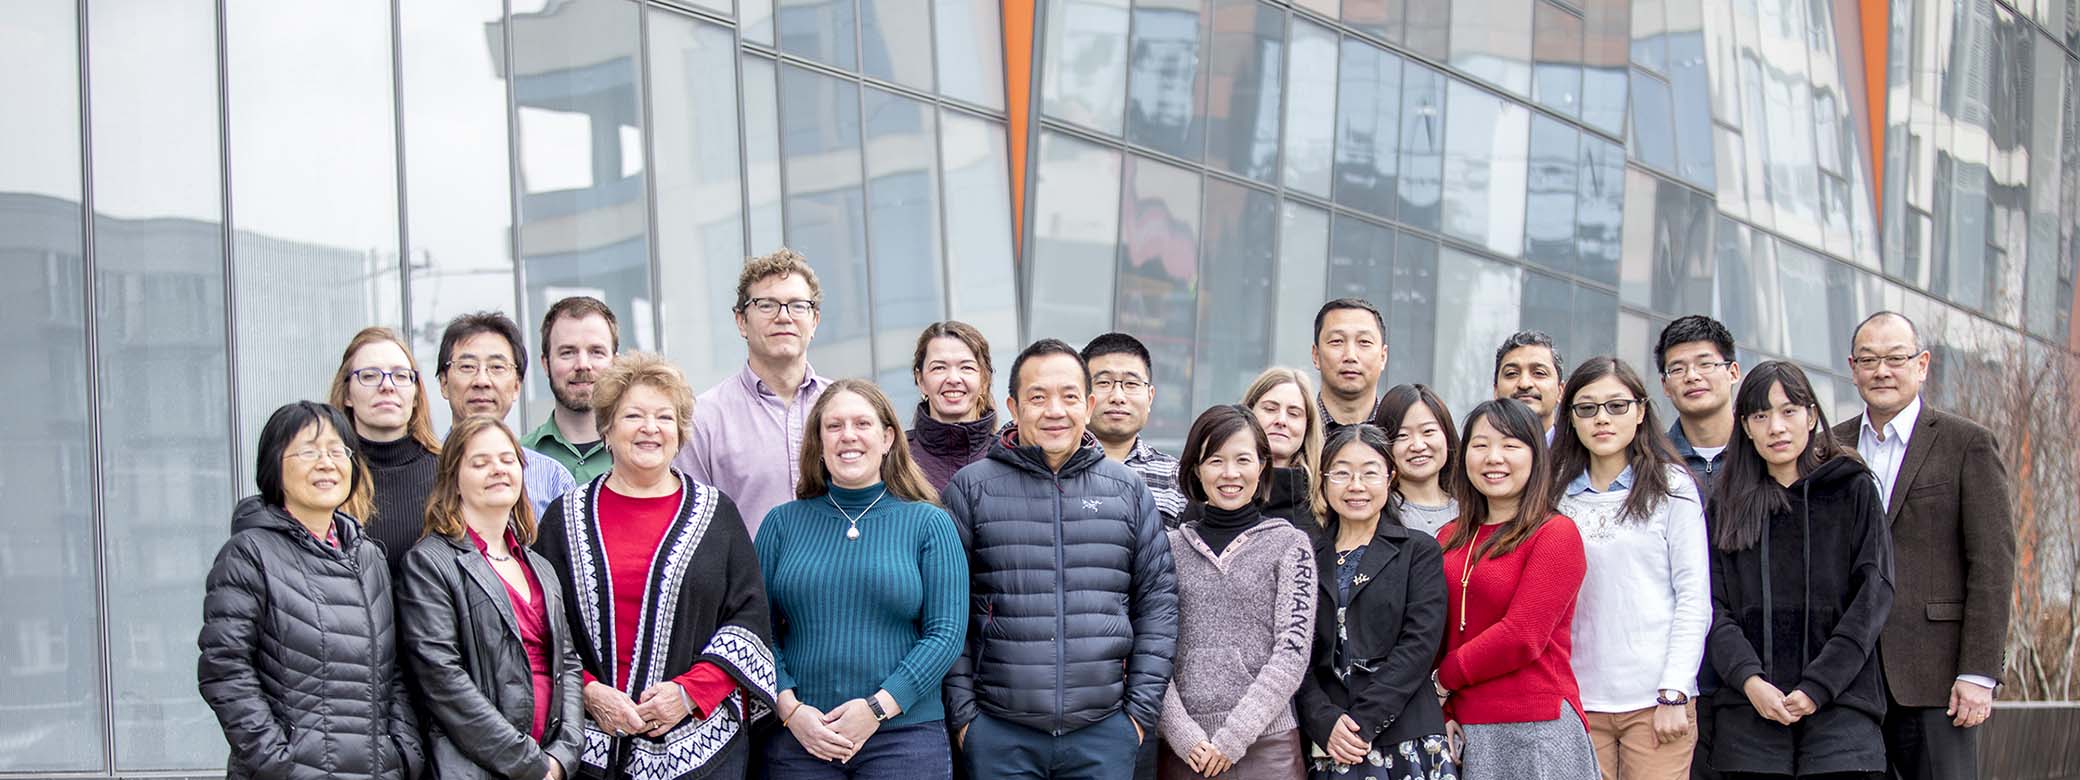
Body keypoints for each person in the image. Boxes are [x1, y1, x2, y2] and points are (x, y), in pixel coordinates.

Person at [941, 339, 1179, 780]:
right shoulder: (970, 488)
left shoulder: (1127, 489)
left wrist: (1137, 717)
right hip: (999, 733)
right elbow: (946, 610)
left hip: (1104, 732)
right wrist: (966, 718)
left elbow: (1158, 607)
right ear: (1013, 405)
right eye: (1037, 397)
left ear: (1088, 405)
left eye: (1069, 396)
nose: (1055, 410)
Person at [533, 353, 777, 780]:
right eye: (633, 416)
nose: (650, 428)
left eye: (664, 417)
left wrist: (687, 693)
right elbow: (542, 625)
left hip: (702, 746)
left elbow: (749, 620)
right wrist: (589, 691)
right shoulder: (563, 517)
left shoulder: (717, 515)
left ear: (680, 432)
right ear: (607, 428)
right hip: (590, 746)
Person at [198, 401, 424, 779]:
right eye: (308, 450)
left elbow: (393, 671)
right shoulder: (249, 553)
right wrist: (278, 762)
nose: (326, 462)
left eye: (338, 450)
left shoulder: (369, 557)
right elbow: (224, 667)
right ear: (274, 464)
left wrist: (402, 754)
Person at [758, 379, 968, 779]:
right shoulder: (781, 524)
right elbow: (755, 631)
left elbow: (946, 633)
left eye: (862, 424)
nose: (848, 436)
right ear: (818, 443)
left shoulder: (927, 523)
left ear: (888, 437)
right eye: (834, 426)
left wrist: (877, 707)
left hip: (904, 737)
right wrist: (790, 710)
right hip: (801, 739)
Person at [1832, 312, 2012, 780]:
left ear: (1922, 363)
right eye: (1869, 359)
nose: (1882, 371)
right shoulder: (1830, 447)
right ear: (1853, 368)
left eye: (1896, 358)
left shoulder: (1966, 443)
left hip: (1936, 678)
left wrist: (1978, 673)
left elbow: (1992, 564)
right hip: (1848, 680)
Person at [1704, 360, 1892, 779]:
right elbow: (1711, 606)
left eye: (1789, 411)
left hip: (1842, 711)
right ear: (1746, 427)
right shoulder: (1726, 503)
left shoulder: (1853, 488)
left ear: (1811, 416)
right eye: (1760, 415)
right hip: (1748, 712)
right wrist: (1750, 680)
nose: (1776, 427)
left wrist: (1818, 686)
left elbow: (1872, 597)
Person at [398, 415, 584, 780]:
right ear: (453, 479)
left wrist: (564, 756)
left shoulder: (540, 567)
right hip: (476, 767)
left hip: (551, 764)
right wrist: (529, 764)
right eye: (480, 463)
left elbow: (569, 663)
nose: (497, 470)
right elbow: (443, 680)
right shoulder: (429, 563)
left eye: (507, 459)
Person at [1551, 357, 1711, 780]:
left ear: (1640, 411)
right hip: (1576, 699)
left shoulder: (1672, 487)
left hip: (1656, 700)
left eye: (1616, 406)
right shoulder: (1551, 496)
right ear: (1571, 419)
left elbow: (1693, 595)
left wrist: (1675, 690)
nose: (1602, 419)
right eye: (1587, 408)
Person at [1434, 399, 1594, 780]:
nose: (1493, 457)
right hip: (1463, 727)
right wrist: (1444, 709)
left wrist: (1443, 679)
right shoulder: (1448, 537)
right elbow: (1437, 630)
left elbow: (1523, 635)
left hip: (1535, 725)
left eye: (1510, 445)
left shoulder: (1554, 533)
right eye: (1480, 445)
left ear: (1536, 456)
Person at [1158, 405, 1317, 779]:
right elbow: (1150, 650)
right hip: (1185, 752)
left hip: (1268, 748)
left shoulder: (1291, 545)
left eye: (1242, 459)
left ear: (1262, 465)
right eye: (1215, 460)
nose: (1230, 474)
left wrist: (1233, 737)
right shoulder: (1166, 548)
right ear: (1197, 468)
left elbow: (1291, 654)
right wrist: (1182, 736)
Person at [1295, 424, 1454, 780]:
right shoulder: (1305, 555)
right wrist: (1325, 721)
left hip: (1406, 735)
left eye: (1369, 472)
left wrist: (1361, 723)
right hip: (1331, 740)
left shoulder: (1418, 550)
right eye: (1342, 473)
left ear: (1390, 477)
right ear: (1323, 479)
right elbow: (1294, 653)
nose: (1356, 486)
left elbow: (1419, 646)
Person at [675, 249, 833, 538]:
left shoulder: (846, 410)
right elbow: (691, 530)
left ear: (815, 321)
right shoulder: (704, 419)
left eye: (798, 305)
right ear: (741, 321)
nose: (784, 317)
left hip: (841, 580)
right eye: (767, 305)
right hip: (748, 583)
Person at [436, 312, 579, 517]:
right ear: (443, 383)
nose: (482, 381)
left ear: (516, 387)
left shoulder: (552, 478)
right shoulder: (421, 472)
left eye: (497, 367)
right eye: (467, 367)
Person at [328, 326, 442, 577]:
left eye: (401, 376)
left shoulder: (449, 472)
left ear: (415, 394)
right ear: (347, 393)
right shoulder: (328, 473)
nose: (387, 386)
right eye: (369, 376)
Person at [1191, 367, 1324, 531]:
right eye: (1270, 409)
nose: (1281, 420)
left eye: (1294, 413)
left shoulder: (1323, 501)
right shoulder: (1212, 493)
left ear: (1307, 425)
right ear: (1248, 413)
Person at [1082, 332, 1187, 524]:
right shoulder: (1057, 465)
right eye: (1104, 382)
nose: (1118, 397)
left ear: (1150, 397)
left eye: (1131, 383)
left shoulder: (1176, 478)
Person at [527, 296, 621, 483]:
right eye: (567, 352)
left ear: (616, 363)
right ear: (545, 364)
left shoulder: (644, 456)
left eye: (596, 352)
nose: (583, 365)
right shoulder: (518, 459)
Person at [1655, 316, 1742, 493]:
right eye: (1678, 369)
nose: (1692, 376)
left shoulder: (1759, 451)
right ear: (1665, 385)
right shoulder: (1650, 461)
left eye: (1705, 364)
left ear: (1732, 373)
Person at [908, 321, 999, 491]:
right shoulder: (895, 459)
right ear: (921, 380)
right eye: (939, 368)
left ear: (984, 380)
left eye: (966, 367)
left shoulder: (1009, 457)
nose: (953, 379)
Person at [1373, 384, 1460, 538]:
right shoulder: (1375, 514)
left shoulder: (1472, 510)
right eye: (1402, 435)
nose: (1418, 446)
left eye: (1428, 431)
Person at [1312, 298, 1389, 437]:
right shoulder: (1295, 429)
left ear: (1383, 356)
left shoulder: (1397, 433)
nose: (1350, 356)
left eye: (1364, 342)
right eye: (1337, 341)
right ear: (1316, 355)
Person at [1493, 331, 1566, 441]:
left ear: (1560, 391)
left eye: (1539, 373)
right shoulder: (1481, 455)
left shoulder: (1584, 455)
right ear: (1496, 391)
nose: (1524, 384)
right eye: (1512, 373)